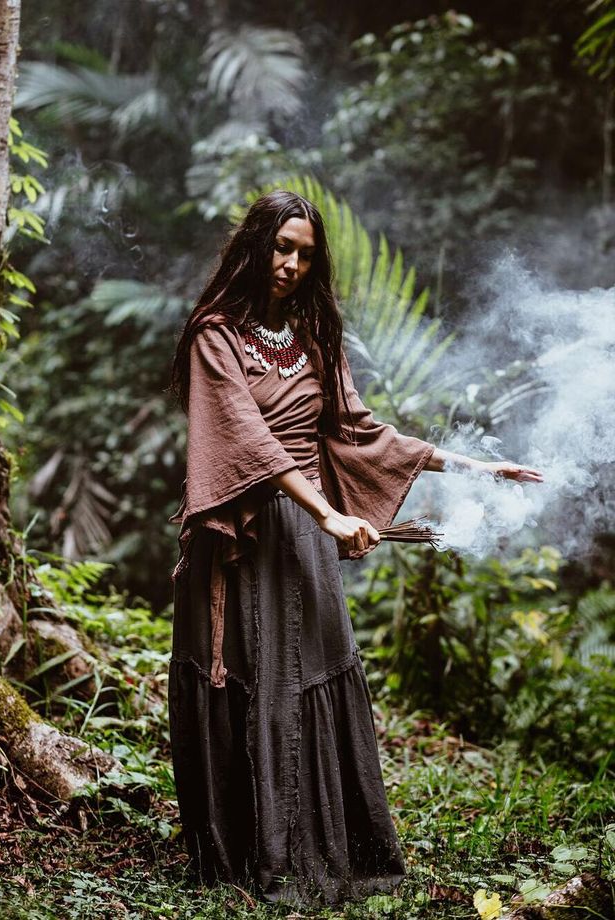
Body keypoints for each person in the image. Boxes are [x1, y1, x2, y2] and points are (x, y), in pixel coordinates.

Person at [167, 190, 543, 907]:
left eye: (306, 253)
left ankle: (331, 853)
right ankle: (245, 859)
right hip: (244, 542)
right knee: (250, 680)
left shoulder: (313, 337)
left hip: (305, 540)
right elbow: (248, 440)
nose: (292, 264)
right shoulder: (215, 335)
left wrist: (476, 467)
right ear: (255, 247)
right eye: (282, 248)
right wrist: (331, 515)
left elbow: (366, 433)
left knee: (316, 676)